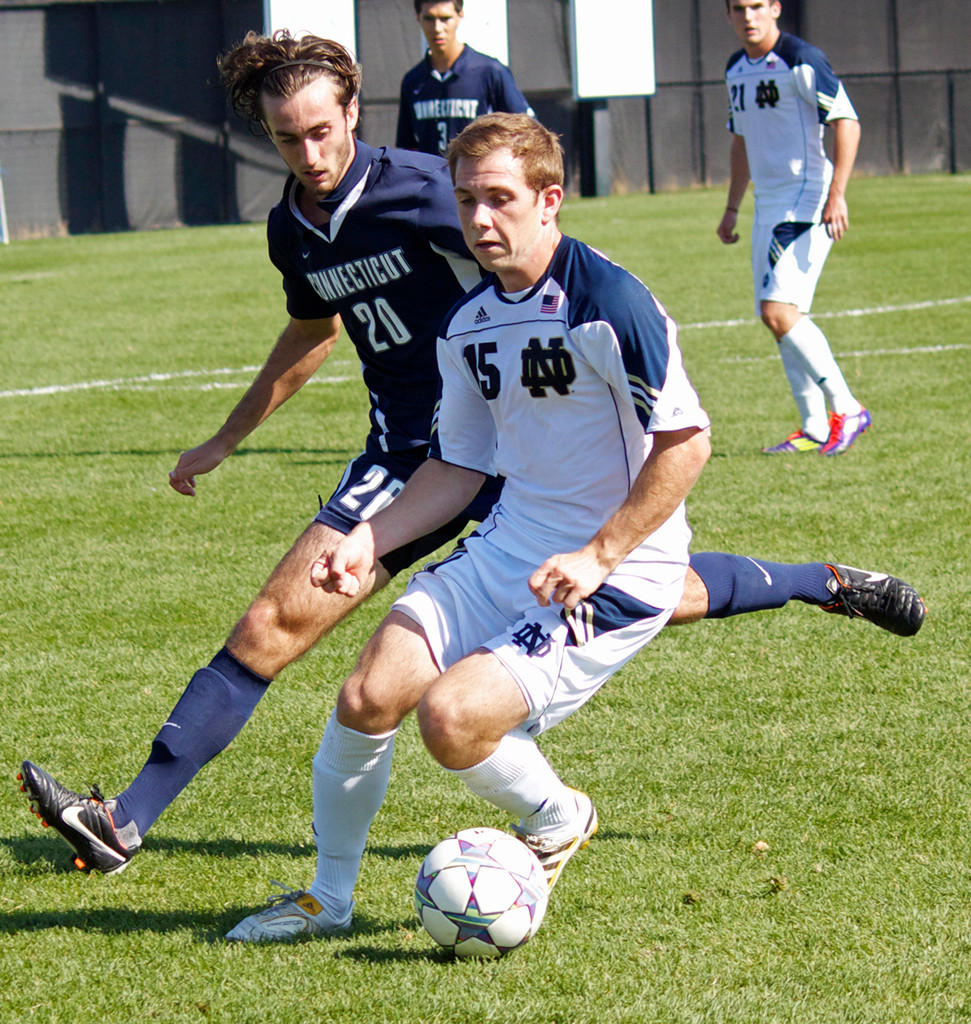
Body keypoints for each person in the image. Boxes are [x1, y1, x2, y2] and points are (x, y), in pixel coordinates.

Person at [18, 34, 924, 883]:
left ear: (355, 111)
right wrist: (228, 434)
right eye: (289, 137)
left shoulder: (425, 189)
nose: (310, 153)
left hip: (503, 451)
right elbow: (311, 328)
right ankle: (822, 581)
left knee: (627, 585)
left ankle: (126, 819)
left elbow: (541, 257)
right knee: (652, 590)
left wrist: (601, 335)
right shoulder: (292, 226)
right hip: (421, 455)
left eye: (324, 131)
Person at [222, 114, 918, 943]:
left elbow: (686, 442)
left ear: (549, 200)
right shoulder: (468, 321)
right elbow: (458, 468)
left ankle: (558, 817)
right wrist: (370, 537)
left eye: (501, 199)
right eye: (468, 200)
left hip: (620, 570)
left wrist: (599, 553)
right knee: (368, 695)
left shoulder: (606, 302)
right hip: (510, 545)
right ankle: (327, 901)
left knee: (451, 719)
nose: (480, 220)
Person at [717, 0, 868, 456]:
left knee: (777, 311)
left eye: (757, 5)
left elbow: (846, 120)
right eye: (739, 8)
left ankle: (849, 407)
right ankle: (815, 427)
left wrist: (837, 193)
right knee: (781, 316)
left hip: (806, 200)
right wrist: (731, 207)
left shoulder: (802, 59)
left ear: (776, 9)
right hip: (768, 204)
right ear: (728, 15)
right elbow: (741, 138)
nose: (749, 15)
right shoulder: (735, 67)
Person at [396, 0, 533, 156]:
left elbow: (527, 131)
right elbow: (408, 148)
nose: (437, 28)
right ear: (417, 17)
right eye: (429, 18)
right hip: (432, 179)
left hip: (477, 178)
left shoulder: (490, 72)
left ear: (460, 15)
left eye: (445, 18)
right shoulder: (412, 81)